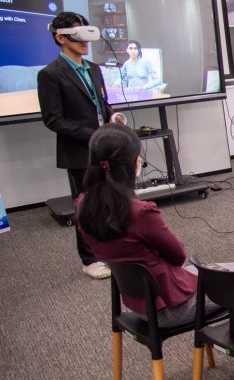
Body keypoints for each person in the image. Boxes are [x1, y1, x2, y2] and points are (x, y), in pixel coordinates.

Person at [75, 124, 223, 326]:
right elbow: (178, 256)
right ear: (132, 164)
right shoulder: (140, 213)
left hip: (138, 304)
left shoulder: (83, 205)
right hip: (170, 305)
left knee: (229, 273)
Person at [38, 11, 125, 280]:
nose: (85, 41)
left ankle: (111, 250)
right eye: (78, 34)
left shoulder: (94, 69)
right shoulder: (50, 74)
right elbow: (53, 120)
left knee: (112, 200)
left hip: (105, 146)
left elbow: (102, 104)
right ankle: (89, 259)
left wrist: (112, 116)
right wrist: (92, 135)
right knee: (87, 206)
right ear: (61, 38)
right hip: (79, 152)